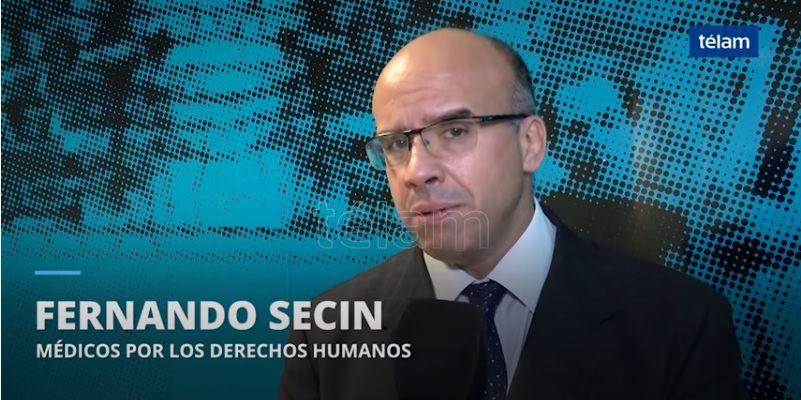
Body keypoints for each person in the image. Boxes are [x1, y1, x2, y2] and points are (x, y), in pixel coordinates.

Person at [279, 28, 750, 400]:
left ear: (530, 143)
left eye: (455, 130)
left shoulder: (681, 322)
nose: (417, 171)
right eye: (397, 144)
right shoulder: (327, 330)